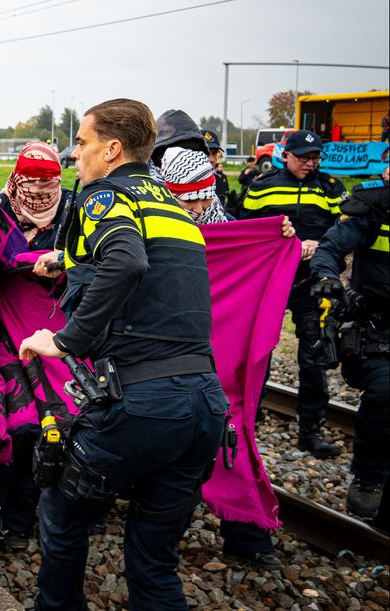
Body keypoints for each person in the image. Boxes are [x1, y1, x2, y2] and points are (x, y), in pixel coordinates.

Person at [12, 98, 228, 611]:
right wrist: (68, 258)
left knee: (62, 515)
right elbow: (152, 263)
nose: (75, 156)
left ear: (112, 150)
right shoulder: (172, 205)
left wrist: (66, 341)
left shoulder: (102, 195)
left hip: (143, 404)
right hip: (203, 406)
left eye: (81, 144)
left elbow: (128, 259)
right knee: (155, 560)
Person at [160, 147, 294, 570]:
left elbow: (255, 264)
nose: (198, 207)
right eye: (187, 199)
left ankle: (246, 534)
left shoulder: (231, 233)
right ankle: (161, 537)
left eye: (204, 196)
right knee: (170, 443)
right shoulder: (151, 228)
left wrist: (278, 238)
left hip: (224, 351)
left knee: (232, 431)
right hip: (169, 352)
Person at [0, 141, 74, 549]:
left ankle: (21, 516)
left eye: (48, 182)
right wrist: (21, 262)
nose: (39, 191)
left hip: (53, 332)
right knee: (18, 424)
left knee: (54, 426)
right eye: (30, 181)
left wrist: (64, 261)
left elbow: (97, 257)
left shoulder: (73, 212)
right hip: (3, 328)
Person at [242, 130, 346, 458]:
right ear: (285, 155)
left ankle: (310, 430)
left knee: (314, 355)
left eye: (315, 158)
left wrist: (324, 248)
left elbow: (343, 232)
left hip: (311, 283)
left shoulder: (331, 188)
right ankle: (248, 420)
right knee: (258, 352)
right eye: (303, 158)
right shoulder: (261, 185)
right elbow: (244, 231)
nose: (310, 163)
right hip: (269, 281)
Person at [310, 167, 389, 521]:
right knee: (387, 394)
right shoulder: (373, 205)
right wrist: (327, 275)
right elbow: (332, 246)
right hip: (378, 330)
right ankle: (368, 478)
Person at [200, 129, 231, 207]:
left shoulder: (216, 178)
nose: (211, 159)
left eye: (214, 153)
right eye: (206, 153)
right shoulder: (183, 179)